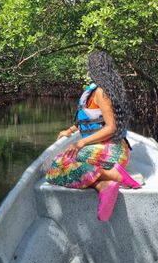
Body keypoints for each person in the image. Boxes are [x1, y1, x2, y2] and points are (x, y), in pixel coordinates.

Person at [45, 49, 142, 221]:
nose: (87, 71)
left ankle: (114, 175)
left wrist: (81, 143)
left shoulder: (100, 92)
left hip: (111, 152)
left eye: (89, 67)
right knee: (63, 162)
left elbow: (111, 127)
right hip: (109, 151)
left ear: (95, 69)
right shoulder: (101, 91)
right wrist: (70, 131)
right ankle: (102, 184)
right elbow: (89, 119)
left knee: (55, 168)